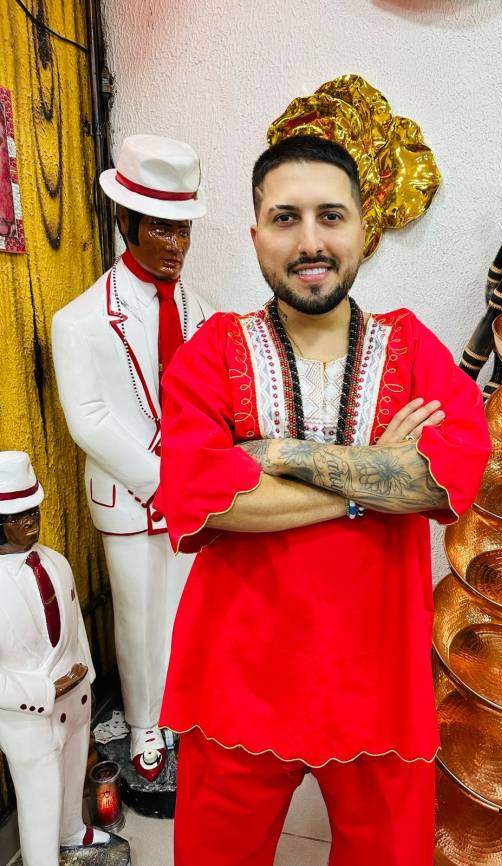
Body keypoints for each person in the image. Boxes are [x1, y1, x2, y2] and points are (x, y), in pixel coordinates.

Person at [154, 134, 491, 865]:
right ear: (255, 236)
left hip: (382, 684)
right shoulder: (214, 350)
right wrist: (374, 482)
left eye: (330, 216)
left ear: (364, 229)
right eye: (286, 218)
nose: (310, 241)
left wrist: (281, 455)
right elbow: (205, 498)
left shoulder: (410, 348)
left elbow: (447, 478)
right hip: (236, 682)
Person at [51, 134, 214, 781]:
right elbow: (88, 420)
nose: (176, 245)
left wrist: (199, 471)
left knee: (183, 610)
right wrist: (161, 476)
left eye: (184, 229)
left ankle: (180, 711)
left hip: (189, 494)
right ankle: (146, 723)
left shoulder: (204, 316)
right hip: (129, 498)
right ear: (126, 222)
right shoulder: (80, 321)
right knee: (138, 616)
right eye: (161, 228)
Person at [0, 451, 110, 865]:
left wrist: (86, 680)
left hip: (74, 702)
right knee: (39, 798)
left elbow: (75, 626)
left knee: (71, 774)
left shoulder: (56, 562)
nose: (31, 521)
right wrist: (46, 691)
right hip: (28, 717)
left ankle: (72, 830)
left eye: (34, 511)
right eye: (18, 516)